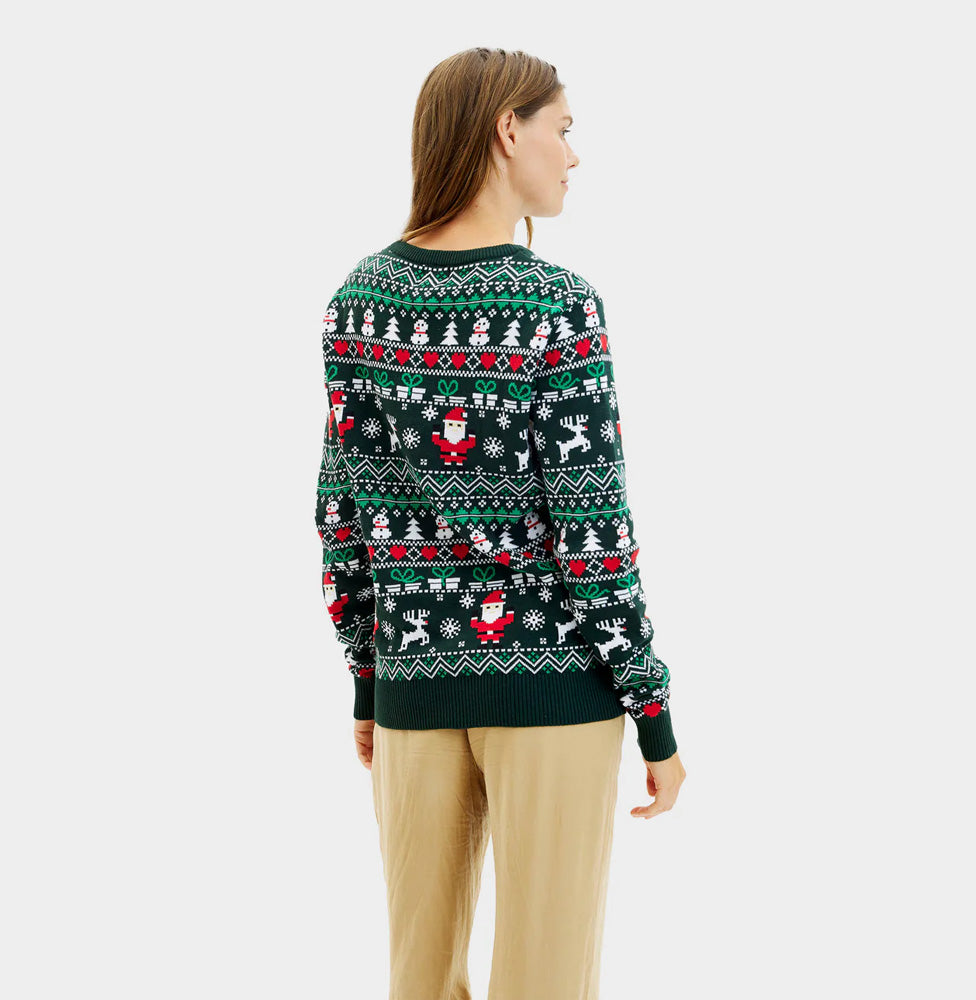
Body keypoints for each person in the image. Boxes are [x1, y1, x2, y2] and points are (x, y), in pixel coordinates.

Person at [315, 46, 687, 1000]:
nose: (574, 154)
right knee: (547, 982)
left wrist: (369, 679)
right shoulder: (556, 304)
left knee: (418, 979)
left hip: (413, 681)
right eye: (563, 128)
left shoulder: (359, 302)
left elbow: (342, 518)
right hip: (555, 686)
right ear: (506, 130)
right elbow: (593, 534)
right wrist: (651, 712)